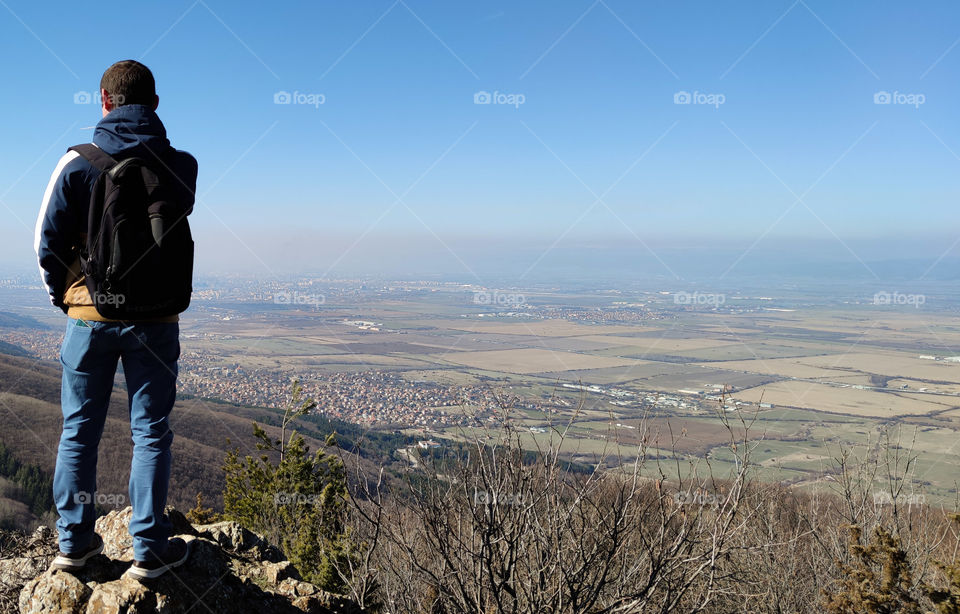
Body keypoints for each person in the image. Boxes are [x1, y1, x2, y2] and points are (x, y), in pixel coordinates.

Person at [35, 60, 198, 579]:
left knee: (79, 429)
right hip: (158, 316)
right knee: (151, 432)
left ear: (103, 101)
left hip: (90, 315)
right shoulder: (180, 165)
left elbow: (47, 243)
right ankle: (149, 552)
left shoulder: (77, 163)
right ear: (155, 103)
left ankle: (75, 544)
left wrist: (69, 299)